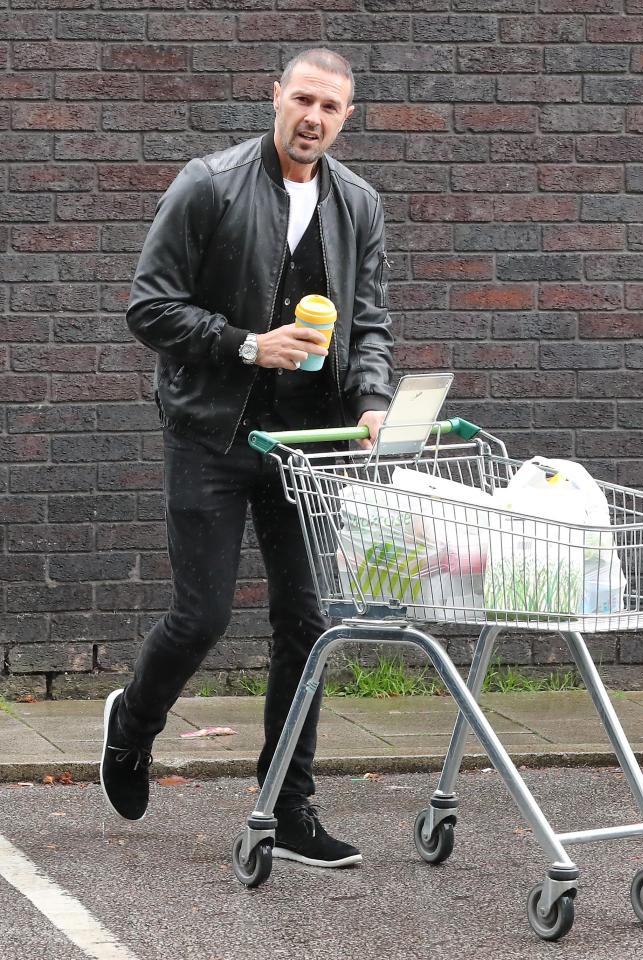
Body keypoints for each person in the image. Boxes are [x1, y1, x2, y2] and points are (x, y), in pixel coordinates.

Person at [100, 48, 394, 869]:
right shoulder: (209, 183)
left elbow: (369, 322)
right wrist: (243, 345)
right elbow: (148, 306)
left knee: (309, 623)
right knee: (202, 617)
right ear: (276, 98)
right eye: (303, 99)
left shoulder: (359, 205)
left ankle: (286, 803)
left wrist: (371, 400)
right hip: (211, 433)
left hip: (306, 448)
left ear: (346, 116)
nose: (314, 118)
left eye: (331, 108)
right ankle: (133, 727)